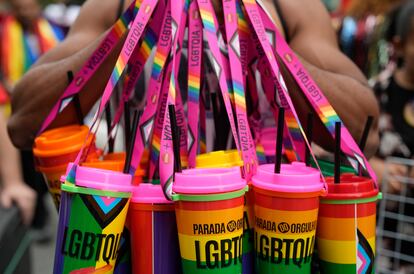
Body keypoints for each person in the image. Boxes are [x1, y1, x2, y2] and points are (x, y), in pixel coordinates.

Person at [8, 0, 379, 158]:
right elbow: (23, 123)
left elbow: (367, 129)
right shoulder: (116, 5)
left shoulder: (288, 7)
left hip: (266, 235)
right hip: (148, 237)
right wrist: (136, 26)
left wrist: (258, 35)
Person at [0, 0, 64, 238]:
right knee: (30, 166)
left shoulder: (52, 30)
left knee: (50, 167)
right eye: (21, 9)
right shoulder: (5, 33)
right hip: (17, 109)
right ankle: (38, 219)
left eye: (30, 7)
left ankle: (47, 212)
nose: (27, 12)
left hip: (48, 110)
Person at [370, 1, 414, 270]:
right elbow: (344, 150)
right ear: (398, 46)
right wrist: (375, 167)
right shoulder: (374, 94)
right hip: (385, 243)